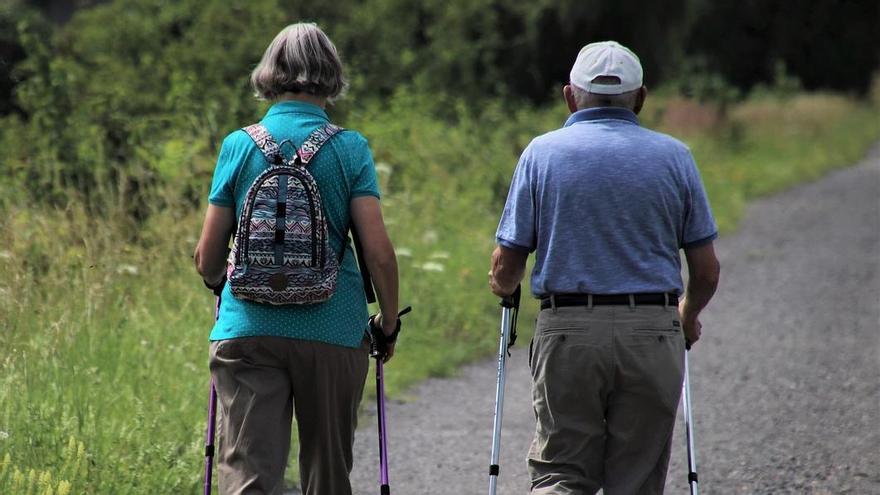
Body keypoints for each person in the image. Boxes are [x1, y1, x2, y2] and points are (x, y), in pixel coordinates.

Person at [489, 41, 721, 494]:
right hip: (652, 331)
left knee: (561, 473)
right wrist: (687, 315)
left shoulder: (542, 153)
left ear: (570, 96)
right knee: (635, 480)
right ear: (641, 97)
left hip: (569, 331)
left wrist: (502, 285)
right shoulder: (675, 157)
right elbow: (707, 271)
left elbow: (508, 264)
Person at [194, 23, 400, 495]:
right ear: (331, 75)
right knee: (327, 475)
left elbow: (208, 257)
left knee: (248, 475)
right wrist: (387, 324)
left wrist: (216, 283)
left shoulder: (238, 145)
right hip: (333, 327)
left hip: (248, 329)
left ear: (270, 74)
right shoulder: (349, 148)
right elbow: (379, 254)